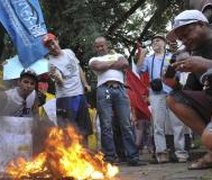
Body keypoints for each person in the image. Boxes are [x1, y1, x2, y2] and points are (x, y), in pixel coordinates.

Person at [166, 9, 212, 170]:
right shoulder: (196, 53)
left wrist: (207, 65)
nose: (184, 41)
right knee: (173, 99)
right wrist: (173, 83)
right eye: (181, 38)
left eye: (186, 34)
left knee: (209, 138)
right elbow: (189, 94)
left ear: (201, 24)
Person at [89, 36, 143, 166]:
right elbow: (98, 66)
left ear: (107, 45)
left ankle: (132, 157)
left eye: (102, 45)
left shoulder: (119, 54)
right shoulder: (94, 59)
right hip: (103, 89)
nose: (100, 48)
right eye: (97, 46)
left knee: (126, 124)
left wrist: (106, 65)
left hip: (120, 89)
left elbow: (125, 64)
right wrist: (114, 64)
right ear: (95, 48)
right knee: (106, 125)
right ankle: (110, 157)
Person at [137, 34, 189, 163]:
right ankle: (161, 154)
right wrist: (142, 54)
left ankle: (181, 153)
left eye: (158, 40)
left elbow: (179, 73)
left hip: (172, 93)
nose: (155, 42)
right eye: (154, 41)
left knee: (177, 123)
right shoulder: (149, 59)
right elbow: (139, 69)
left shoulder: (172, 57)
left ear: (164, 43)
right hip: (156, 95)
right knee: (157, 125)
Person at [42, 33, 93, 142]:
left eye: (52, 43)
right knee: (67, 132)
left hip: (79, 95)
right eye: (48, 46)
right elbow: (60, 81)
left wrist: (85, 84)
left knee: (84, 130)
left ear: (57, 41)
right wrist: (57, 78)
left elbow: (78, 68)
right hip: (65, 98)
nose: (52, 47)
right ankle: (67, 157)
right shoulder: (51, 64)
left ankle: (85, 155)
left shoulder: (69, 52)